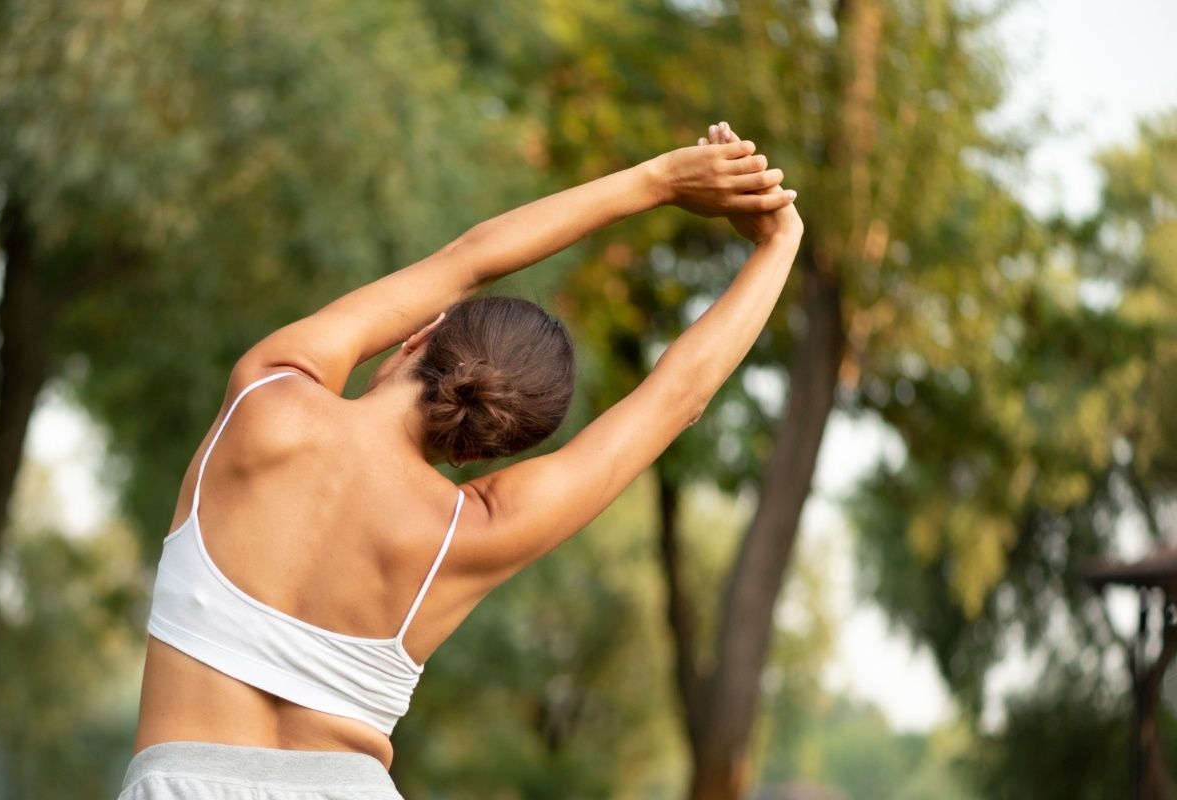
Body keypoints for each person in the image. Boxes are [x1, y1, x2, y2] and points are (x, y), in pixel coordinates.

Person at [119, 121, 802, 799]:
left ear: (420, 334)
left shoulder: (267, 394)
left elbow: (467, 260)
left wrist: (658, 179)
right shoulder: (473, 530)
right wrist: (780, 244)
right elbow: (674, 397)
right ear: (477, 450)